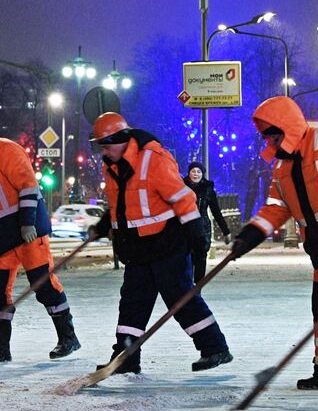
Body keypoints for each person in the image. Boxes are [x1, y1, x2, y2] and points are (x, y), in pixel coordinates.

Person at [229, 96, 318, 390]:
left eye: (274, 134)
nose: (271, 141)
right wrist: (249, 237)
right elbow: (276, 208)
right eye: (267, 136)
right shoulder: (281, 169)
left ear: (288, 128)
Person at [90, 112, 232, 373]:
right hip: (137, 250)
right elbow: (118, 205)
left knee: (181, 299)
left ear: (121, 138)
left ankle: (215, 348)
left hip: (167, 245)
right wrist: (103, 225)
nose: (104, 150)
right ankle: (126, 358)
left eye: (106, 144)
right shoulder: (110, 165)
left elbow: (183, 199)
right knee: (132, 304)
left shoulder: (153, 158)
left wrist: (196, 235)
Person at [0, 110, 80, 362]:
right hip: (6, 239)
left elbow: (28, 186)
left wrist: (27, 223)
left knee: (43, 286)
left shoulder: (4, 150)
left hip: (28, 234)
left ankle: (68, 338)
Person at [183, 161, 231, 283]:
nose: (196, 174)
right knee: (186, 259)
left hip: (202, 229)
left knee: (200, 258)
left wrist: (226, 231)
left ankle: (198, 286)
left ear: (202, 174)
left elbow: (216, 212)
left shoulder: (207, 190)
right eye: (193, 171)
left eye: (198, 171)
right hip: (185, 228)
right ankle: (186, 287)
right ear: (188, 173)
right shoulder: (181, 188)